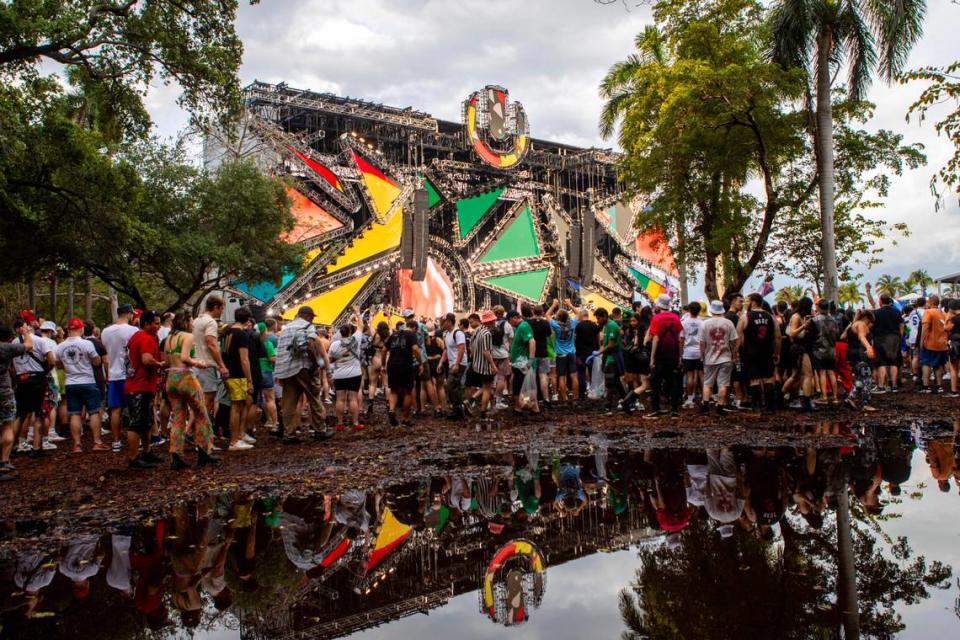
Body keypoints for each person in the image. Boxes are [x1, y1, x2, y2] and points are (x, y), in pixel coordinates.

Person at [163, 311, 219, 470]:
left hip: (171, 379)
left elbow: (167, 362)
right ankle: (204, 452)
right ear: (186, 321)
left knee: (178, 417)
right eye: (192, 320)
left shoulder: (169, 338)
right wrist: (198, 363)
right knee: (201, 414)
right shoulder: (187, 337)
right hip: (186, 378)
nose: (193, 324)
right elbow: (185, 358)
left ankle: (176, 456)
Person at [55, 317, 107, 453]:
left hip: (71, 383)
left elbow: (59, 365)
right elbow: (97, 362)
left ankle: (77, 445)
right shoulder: (87, 344)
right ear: (81, 328)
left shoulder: (60, 346)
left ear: (68, 329)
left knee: (75, 414)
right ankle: (97, 442)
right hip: (88, 381)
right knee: (94, 411)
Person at [125, 310, 165, 468]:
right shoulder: (146, 338)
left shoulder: (138, 336)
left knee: (147, 421)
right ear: (146, 324)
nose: (159, 326)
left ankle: (147, 452)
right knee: (136, 423)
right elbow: (147, 360)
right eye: (156, 323)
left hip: (145, 385)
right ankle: (134, 458)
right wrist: (160, 364)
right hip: (139, 385)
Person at [11, 319, 55, 457]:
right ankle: (36, 448)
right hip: (37, 379)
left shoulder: (14, 343)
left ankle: (11, 447)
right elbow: (52, 361)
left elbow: (12, 365)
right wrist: (46, 371)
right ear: (28, 327)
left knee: (20, 414)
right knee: (39, 414)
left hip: (21, 379)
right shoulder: (41, 341)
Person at [100, 303, 138, 449]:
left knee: (116, 410)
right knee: (134, 408)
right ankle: (137, 440)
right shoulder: (133, 330)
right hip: (129, 374)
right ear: (128, 314)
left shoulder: (105, 331)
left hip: (114, 374)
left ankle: (116, 441)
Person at [738, 293, 780, 410]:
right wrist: (777, 352)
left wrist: (737, 351)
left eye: (748, 301)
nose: (746, 303)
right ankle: (770, 406)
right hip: (767, 352)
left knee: (754, 379)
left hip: (751, 353)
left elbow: (739, 337)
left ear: (753, 302)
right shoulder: (771, 317)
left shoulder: (745, 317)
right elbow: (778, 336)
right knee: (768, 378)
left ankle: (756, 406)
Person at [0, 324, 32, 480]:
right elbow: (28, 345)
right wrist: (26, 332)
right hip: (4, 393)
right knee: (7, 425)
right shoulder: (6, 348)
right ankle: (4, 461)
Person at [644, 294, 683, 418]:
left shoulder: (656, 319)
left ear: (658, 305)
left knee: (655, 383)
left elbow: (655, 338)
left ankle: (656, 409)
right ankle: (675, 410)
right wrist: (680, 356)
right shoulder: (676, 318)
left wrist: (652, 358)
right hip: (673, 354)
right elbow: (679, 339)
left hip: (660, 354)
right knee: (673, 382)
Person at [223, 307, 255, 450]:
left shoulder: (226, 332)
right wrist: (249, 379)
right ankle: (234, 441)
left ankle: (239, 436)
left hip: (228, 371)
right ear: (247, 320)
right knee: (236, 406)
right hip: (238, 373)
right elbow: (244, 359)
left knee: (243, 403)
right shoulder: (241, 334)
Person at [699, 300, 738, 415]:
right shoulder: (728, 323)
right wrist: (734, 355)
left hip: (709, 358)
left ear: (711, 310)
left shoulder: (705, 324)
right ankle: (720, 407)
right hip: (725, 358)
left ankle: (705, 406)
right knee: (723, 384)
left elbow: (702, 343)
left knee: (707, 383)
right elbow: (733, 342)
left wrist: (702, 356)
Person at [192, 296, 229, 417]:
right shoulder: (211, 322)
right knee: (207, 400)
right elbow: (211, 344)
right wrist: (221, 365)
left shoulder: (196, 320)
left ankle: (193, 431)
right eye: (221, 308)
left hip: (195, 364)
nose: (222, 312)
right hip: (207, 365)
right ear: (215, 307)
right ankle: (202, 432)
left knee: (197, 400)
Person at [384, 320, 423, 427]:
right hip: (406, 365)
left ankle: (391, 410)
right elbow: (415, 349)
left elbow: (384, 349)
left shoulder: (394, 334)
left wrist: (383, 364)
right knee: (408, 392)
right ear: (414, 328)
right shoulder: (411, 334)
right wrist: (420, 363)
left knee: (394, 391)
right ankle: (405, 418)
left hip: (392, 365)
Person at [328, 324, 364, 431]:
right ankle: (355, 423)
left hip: (339, 375)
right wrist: (357, 313)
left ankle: (339, 423)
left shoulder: (334, 344)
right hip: (354, 374)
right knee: (353, 399)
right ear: (350, 333)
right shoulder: (355, 340)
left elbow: (329, 360)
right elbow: (361, 326)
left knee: (340, 399)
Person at [869, 292, 905, 393]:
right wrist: (899, 336)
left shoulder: (876, 312)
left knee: (881, 363)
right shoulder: (897, 312)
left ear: (880, 301)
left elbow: (871, 326)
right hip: (894, 338)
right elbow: (902, 325)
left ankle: (881, 387)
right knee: (893, 362)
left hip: (880, 338)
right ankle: (894, 386)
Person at [843, 310, 877, 411]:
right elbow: (861, 336)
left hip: (852, 354)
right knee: (866, 378)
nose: (869, 325)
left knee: (860, 378)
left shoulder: (852, 324)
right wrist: (869, 348)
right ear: (866, 318)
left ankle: (850, 398)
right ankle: (865, 404)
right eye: (870, 322)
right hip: (861, 353)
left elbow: (842, 336)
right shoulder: (862, 324)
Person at [465, 310, 497, 416]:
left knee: (485, 386)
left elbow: (472, 349)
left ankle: (471, 400)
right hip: (485, 365)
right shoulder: (486, 333)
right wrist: (493, 365)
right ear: (490, 322)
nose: (494, 323)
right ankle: (483, 411)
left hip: (477, 365)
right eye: (493, 321)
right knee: (487, 388)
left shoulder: (477, 331)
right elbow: (486, 352)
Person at [810, 299, 841, 405]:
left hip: (819, 350)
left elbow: (812, 335)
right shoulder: (834, 320)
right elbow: (838, 335)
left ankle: (824, 397)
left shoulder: (814, 320)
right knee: (831, 373)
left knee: (822, 373)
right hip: (831, 350)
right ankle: (835, 397)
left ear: (819, 307)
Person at [508, 309, 537, 415]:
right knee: (525, 385)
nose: (510, 324)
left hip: (523, 362)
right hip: (519, 362)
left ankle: (518, 408)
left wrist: (531, 359)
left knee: (518, 385)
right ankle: (534, 409)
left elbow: (532, 341)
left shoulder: (523, 326)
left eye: (510, 321)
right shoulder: (520, 327)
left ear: (514, 318)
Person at [548, 304, 578, 404]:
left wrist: (554, 305)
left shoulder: (556, 326)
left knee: (561, 376)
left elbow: (547, 314)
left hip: (561, 354)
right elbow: (578, 313)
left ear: (559, 317)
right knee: (573, 376)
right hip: (571, 353)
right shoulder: (572, 323)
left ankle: (565, 399)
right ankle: (575, 397)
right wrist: (570, 304)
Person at [595, 307, 622, 412]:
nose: (597, 321)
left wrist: (600, 352)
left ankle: (608, 406)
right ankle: (625, 401)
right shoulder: (606, 326)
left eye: (598, 318)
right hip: (608, 356)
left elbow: (611, 344)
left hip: (613, 357)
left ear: (604, 316)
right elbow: (605, 343)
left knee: (610, 382)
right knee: (616, 381)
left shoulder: (611, 325)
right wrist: (598, 352)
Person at [920, 294, 949, 393]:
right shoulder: (943, 313)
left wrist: (921, 340)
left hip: (930, 343)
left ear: (931, 302)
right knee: (939, 365)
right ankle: (939, 386)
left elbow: (925, 327)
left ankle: (926, 386)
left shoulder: (928, 312)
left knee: (926, 363)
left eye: (928, 301)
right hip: (942, 344)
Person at [440, 313, 467, 418]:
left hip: (459, 363)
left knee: (449, 385)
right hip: (452, 364)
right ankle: (458, 410)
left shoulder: (458, 333)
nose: (442, 324)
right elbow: (446, 350)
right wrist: (441, 362)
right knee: (455, 386)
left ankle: (458, 409)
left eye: (444, 321)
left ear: (449, 322)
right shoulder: (447, 334)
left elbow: (462, 349)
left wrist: (457, 364)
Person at [679, 302, 703, 409]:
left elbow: (681, 339)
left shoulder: (684, 322)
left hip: (688, 352)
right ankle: (705, 397)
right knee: (702, 375)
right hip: (699, 352)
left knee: (690, 376)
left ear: (689, 310)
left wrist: (680, 354)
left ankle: (690, 399)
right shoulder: (702, 322)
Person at [574, 309, 601, 401]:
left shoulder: (579, 326)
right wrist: (599, 350)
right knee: (592, 372)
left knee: (581, 373)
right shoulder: (594, 325)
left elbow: (575, 338)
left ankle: (582, 395)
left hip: (580, 353)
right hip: (592, 353)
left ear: (581, 316)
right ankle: (593, 392)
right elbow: (598, 339)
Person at [490, 305, 513, 410]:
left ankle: (489, 400)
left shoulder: (490, 324)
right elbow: (510, 340)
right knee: (501, 378)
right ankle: (498, 401)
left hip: (492, 355)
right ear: (503, 313)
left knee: (491, 378)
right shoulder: (507, 324)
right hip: (503, 354)